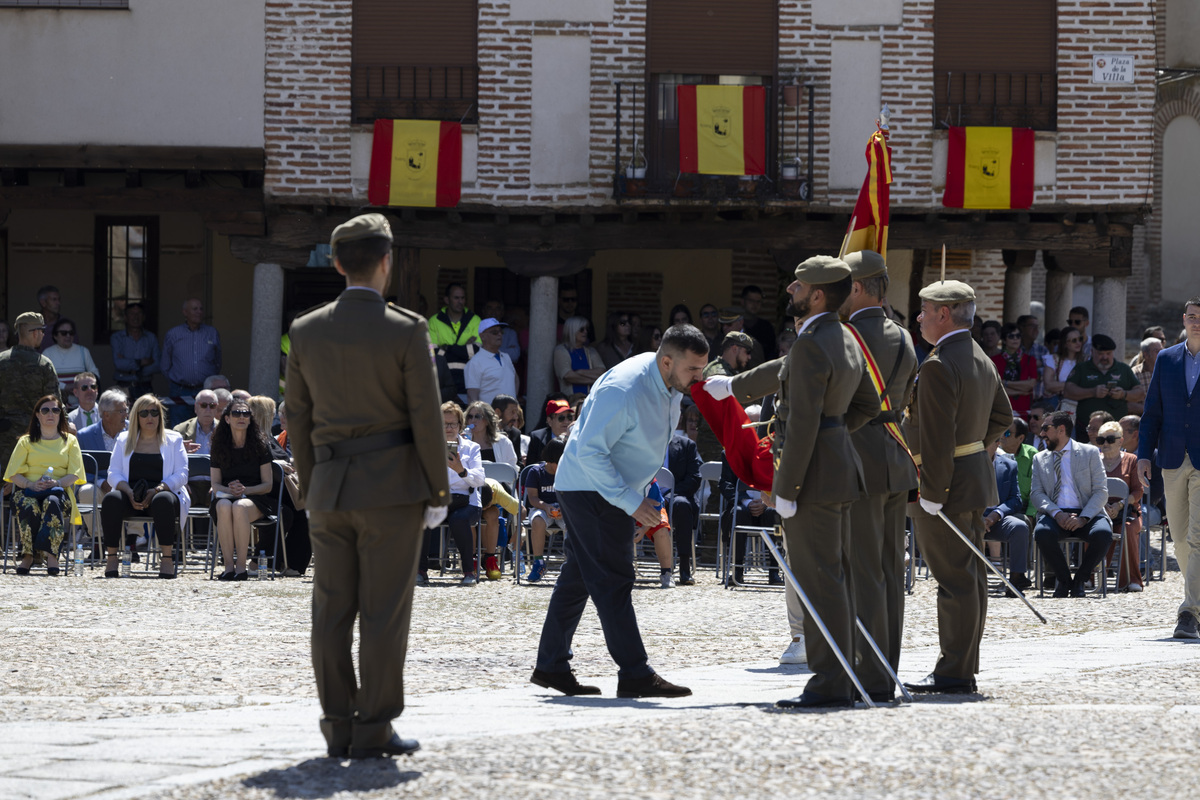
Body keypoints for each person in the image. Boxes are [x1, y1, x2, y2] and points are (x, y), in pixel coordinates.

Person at [285, 213, 449, 759]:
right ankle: (373, 727)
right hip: (392, 490)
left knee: (330, 613)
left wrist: (312, 487)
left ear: (335, 264)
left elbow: (298, 419)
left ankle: (336, 724)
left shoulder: (306, 330)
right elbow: (426, 416)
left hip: (330, 488)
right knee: (383, 613)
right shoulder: (406, 329)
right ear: (387, 262)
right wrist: (437, 490)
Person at [708, 256, 881, 709]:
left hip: (812, 478)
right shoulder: (845, 337)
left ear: (818, 295)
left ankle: (830, 682)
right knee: (836, 576)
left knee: (819, 579)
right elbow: (867, 404)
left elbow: (802, 421)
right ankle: (842, 673)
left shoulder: (813, 344)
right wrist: (837, 434)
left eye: (798, 286)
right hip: (840, 469)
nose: (791, 291)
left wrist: (785, 488)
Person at [531, 324, 709, 699]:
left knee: (578, 578)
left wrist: (640, 494)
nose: (699, 377)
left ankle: (551, 665)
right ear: (666, 361)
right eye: (693, 370)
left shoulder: (668, 380)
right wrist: (631, 502)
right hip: (591, 488)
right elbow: (590, 452)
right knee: (614, 579)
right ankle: (634, 673)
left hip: (603, 488)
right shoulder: (624, 389)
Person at [902, 280, 1012, 696]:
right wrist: (973, 452)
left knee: (954, 580)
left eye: (925, 310)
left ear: (943, 314)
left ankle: (953, 672)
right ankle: (962, 667)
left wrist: (931, 491)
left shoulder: (937, 364)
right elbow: (1003, 415)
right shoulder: (981, 358)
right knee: (969, 576)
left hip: (942, 487)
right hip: (971, 481)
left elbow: (935, 437)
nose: (919, 318)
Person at [840, 249, 919, 702]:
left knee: (864, 570)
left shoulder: (849, 335)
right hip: (895, 455)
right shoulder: (903, 336)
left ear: (856, 287)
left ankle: (868, 674)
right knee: (890, 570)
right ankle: (885, 664)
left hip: (859, 458)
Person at [1137, 296, 1200, 638]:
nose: (1196, 322)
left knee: (1198, 537)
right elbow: (1152, 413)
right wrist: (1144, 453)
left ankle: (1189, 612)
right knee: (1179, 540)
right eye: (1192, 316)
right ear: (1184, 319)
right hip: (1172, 458)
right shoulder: (1166, 358)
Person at [100, 394, 190, 579]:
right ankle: (111, 557)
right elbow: (113, 473)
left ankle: (166, 558)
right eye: (144, 413)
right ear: (136, 417)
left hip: (163, 492)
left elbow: (182, 474)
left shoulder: (174, 439)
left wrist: (157, 489)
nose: (150, 417)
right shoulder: (124, 439)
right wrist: (128, 492)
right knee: (111, 499)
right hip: (130, 493)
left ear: (160, 416)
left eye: (154, 413)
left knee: (163, 500)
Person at [1030, 410, 1114, 598]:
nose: (1041, 433)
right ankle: (1065, 579)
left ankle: (1080, 580)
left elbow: (1101, 491)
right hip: (1055, 513)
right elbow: (1036, 493)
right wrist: (1057, 513)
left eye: (1046, 428)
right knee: (1042, 533)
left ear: (1061, 430)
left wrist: (1084, 517)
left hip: (1087, 512)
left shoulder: (1090, 452)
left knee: (1103, 534)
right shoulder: (1039, 457)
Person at [3, 394, 85, 575]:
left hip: (58, 492)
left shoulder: (70, 441)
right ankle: (28, 556)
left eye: (55, 410)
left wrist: (57, 482)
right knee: (29, 504)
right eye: (45, 410)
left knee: (52, 502)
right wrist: (30, 485)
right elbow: (13, 474)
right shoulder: (25, 441)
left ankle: (51, 555)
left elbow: (75, 474)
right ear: (37, 415)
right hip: (27, 491)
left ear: (60, 415)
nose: (51, 414)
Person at [418, 401, 485, 586]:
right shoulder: (429, 447)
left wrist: (461, 470)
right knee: (424, 514)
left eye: (453, 424)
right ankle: (421, 570)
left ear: (460, 425)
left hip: (466, 502)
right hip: (440, 500)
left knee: (458, 519)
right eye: (444, 424)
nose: (448, 428)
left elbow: (480, 480)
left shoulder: (471, 448)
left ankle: (468, 572)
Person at [0, 312, 61, 471]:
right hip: (35, 434)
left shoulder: (1, 361)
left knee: (5, 485)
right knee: (34, 483)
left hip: (4, 435)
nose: (42, 335)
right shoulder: (44, 364)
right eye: (42, 331)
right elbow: (54, 404)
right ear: (35, 333)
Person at [1064, 334, 1143, 441]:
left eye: (1108, 353)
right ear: (1092, 352)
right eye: (1100, 354)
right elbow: (1068, 391)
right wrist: (1092, 392)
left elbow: (1140, 393)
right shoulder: (1082, 368)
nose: (1105, 357)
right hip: (1087, 429)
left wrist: (1123, 394)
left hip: (1116, 429)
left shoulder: (1123, 369)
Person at [1096, 420, 1144, 592]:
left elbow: (1138, 491)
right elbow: (1087, 490)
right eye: (1101, 440)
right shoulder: (1094, 460)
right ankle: (1091, 577)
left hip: (1127, 511)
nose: (1105, 443)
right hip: (1100, 511)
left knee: (1128, 529)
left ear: (1120, 440)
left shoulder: (1132, 460)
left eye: (1110, 439)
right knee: (1093, 529)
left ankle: (1131, 579)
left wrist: (1120, 504)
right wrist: (1104, 507)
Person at [160, 299, 222, 427]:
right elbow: (165, 365)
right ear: (185, 312)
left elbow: (218, 362)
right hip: (179, 390)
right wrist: (177, 381)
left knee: (207, 426)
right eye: (195, 309)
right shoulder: (173, 334)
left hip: (205, 390)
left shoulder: (212, 333)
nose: (199, 312)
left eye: (201, 309)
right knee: (179, 428)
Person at [982, 439, 1032, 594]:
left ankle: (1017, 579)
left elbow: (1015, 499)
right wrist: (977, 517)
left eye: (988, 440)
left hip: (997, 518)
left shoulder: (1009, 464)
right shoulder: (966, 463)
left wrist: (996, 514)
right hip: (970, 517)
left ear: (997, 443)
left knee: (1019, 527)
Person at [697, 331, 753, 462]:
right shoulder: (718, 372)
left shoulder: (729, 372)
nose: (749, 357)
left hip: (722, 441)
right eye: (747, 352)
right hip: (714, 444)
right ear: (735, 349)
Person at [523, 435, 566, 584]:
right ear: (550, 460)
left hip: (563, 508)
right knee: (537, 521)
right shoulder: (536, 472)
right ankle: (538, 562)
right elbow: (532, 498)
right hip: (541, 506)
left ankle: (571, 563)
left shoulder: (567, 472)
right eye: (558, 462)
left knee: (573, 523)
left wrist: (563, 507)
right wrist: (546, 506)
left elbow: (572, 496)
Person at [429, 282, 480, 404]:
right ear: (447, 299)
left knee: (468, 421)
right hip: (443, 383)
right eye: (456, 298)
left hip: (468, 382)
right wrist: (464, 348)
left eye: (462, 298)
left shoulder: (475, 320)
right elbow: (433, 354)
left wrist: (447, 348)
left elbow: (477, 351)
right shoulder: (434, 321)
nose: (460, 301)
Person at [664, 422, 702, 586]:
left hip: (675, 495)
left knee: (682, 505)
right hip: (646, 495)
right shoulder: (642, 445)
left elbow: (694, 478)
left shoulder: (687, 445)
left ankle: (684, 568)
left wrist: (670, 494)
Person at [43, 318, 99, 406]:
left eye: (71, 333)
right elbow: (44, 379)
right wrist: (64, 387)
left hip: (81, 406)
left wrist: (81, 386)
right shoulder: (47, 353)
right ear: (55, 335)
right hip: (56, 407)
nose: (68, 336)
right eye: (64, 333)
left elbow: (95, 374)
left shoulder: (83, 351)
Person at [109, 302, 161, 397]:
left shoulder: (151, 337)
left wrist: (131, 368)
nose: (135, 317)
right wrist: (140, 362)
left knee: (146, 412)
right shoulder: (117, 338)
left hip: (145, 386)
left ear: (144, 317)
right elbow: (118, 364)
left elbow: (157, 365)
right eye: (132, 313)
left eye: (139, 313)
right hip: (123, 385)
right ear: (125, 317)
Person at [464, 318, 517, 405]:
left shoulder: (506, 357)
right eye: (494, 332)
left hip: (511, 415)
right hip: (490, 416)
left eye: (501, 332)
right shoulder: (475, 362)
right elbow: (472, 396)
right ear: (483, 336)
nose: (499, 335)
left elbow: (515, 380)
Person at [992, 322, 1038, 419]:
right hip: (1003, 409)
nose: (1015, 339)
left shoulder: (1030, 360)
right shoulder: (994, 360)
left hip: (1024, 410)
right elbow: (995, 389)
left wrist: (1005, 383)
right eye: (1011, 336)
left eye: (1018, 336)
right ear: (1004, 340)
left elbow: (1030, 385)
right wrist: (1020, 391)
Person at [553, 316, 605, 396]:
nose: (585, 332)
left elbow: (602, 373)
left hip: (592, 399)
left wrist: (579, 372)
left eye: (586, 329)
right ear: (572, 330)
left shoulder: (591, 351)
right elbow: (568, 376)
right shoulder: (560, 351)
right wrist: (594, 379)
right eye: (581, 329)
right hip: (572, 400)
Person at [526, 397, 573, 466]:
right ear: (549, 420)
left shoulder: (575, 437)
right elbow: (531, 467)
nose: (566, 422)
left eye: (569, 417)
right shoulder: (537, 438)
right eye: (561, 418)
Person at [740, 284, 777, 360]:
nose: (755, 304)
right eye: (751, 301)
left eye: (758, 301)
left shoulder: (766, 327)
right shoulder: (734, 325)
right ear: (743, 302)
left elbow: (771, 353)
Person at [480, 298, 522, 365]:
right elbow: (474, 353)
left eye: (497, 309)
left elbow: (514, 356)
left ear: (502, 313)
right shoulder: (478, 330)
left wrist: (487, 349)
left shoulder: (510, 332)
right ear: (484, 311)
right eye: (490, 308)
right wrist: (505, 350)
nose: (493, 312)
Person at [1129, 336, 1163, 416]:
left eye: (1162, 350)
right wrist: (1152, 410)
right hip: (1143, 420)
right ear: (1146, 355)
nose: (1161, 353)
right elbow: (1129, 405)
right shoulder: (1134, 374)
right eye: (1157, 351)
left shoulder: (1170, 371)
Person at [35, 285, 61, 352]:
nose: (58, 303)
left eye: (59, 299)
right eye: (54, 299)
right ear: (43, 302)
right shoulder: (31, 324)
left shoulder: (66, 326)